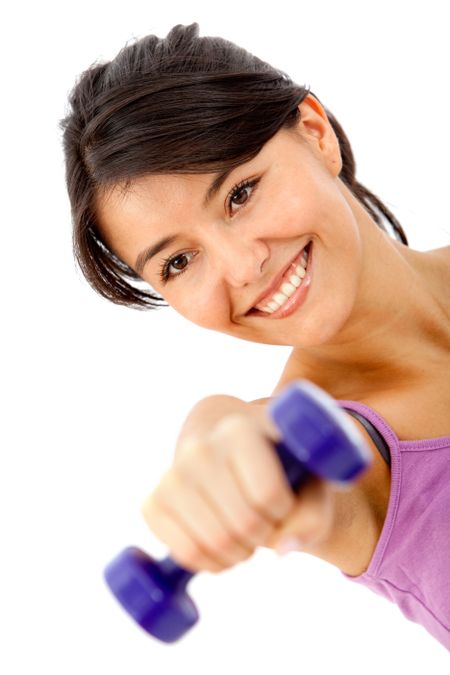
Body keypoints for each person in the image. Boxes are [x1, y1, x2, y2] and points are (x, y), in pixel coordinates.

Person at [60, 23, 450, 650]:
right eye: (178, 264)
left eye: (240, 193)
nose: (243, 268)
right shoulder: (345, 458)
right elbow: (243, 440)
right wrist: (216, 438)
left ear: (317, 135)